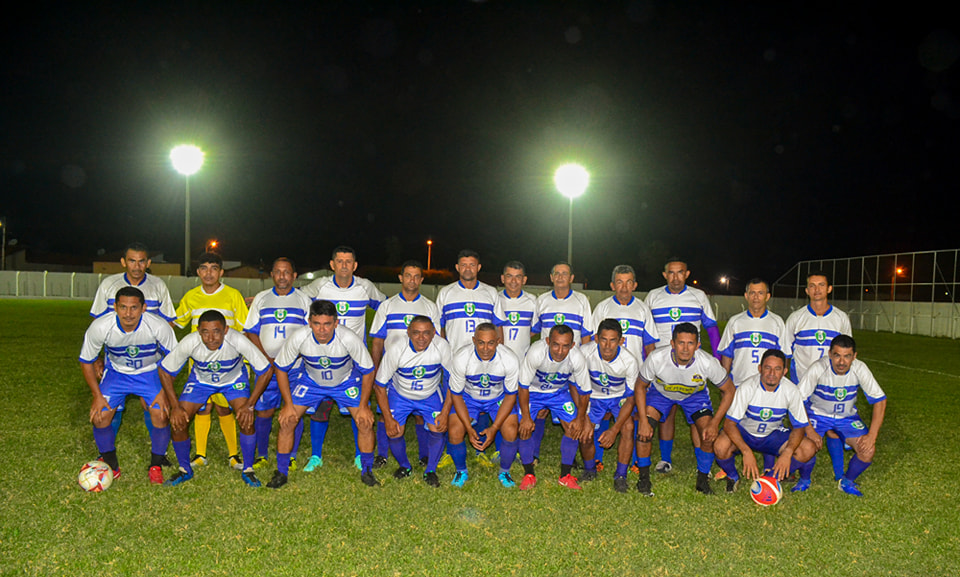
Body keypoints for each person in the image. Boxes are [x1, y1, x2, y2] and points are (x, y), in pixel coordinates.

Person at [266, 300, 379, 488]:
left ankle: (367, 470)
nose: (322, 330)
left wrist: (364, 406)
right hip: (311, 381)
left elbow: (368, 371)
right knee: (288, 420)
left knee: (364, 421)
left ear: (336, 322)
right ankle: (281, 472)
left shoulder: (349, 338)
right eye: (317, 324)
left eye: (327, 324)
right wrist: (287, 405)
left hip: (345, 382)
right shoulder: (299, 337)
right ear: (309, 322)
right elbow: (281, 369)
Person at [160, 310, 272, 487]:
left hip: (233, 380)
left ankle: (248, 469)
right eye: (205, 332)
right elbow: (165, 371)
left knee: (246, 419)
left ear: (226, 330)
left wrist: (250, 405)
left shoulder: (237, 339)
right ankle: (184, 469)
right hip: (200, 381)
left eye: (216, 331)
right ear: (198, 330)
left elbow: (266, 370)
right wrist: (175, 407)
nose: (211, 338)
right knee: (179, 420)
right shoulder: (190, 341)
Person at [300, 246, 386, 472]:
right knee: (320, 405)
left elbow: (385, 306)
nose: (344, 265)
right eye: (340, 261)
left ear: (355, 265)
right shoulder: (320, 285)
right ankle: (316, 455)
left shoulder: (364, 286)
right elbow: (296, 296)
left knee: (360, 406)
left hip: (354, 359)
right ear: (332, 265)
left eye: (349, 261)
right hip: (323, 355)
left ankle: (360, 455)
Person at [79, 286, 178, 484]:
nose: (128, 313)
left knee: (160, 413)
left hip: (149, 373)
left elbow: (175, 358)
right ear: (115, 307)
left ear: (144, 308)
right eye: (123, 307)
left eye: (134, 308)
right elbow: (86, 361)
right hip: (117, 374)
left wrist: (164, 391)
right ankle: (111, 463)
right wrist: (97, 396)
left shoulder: (158, 326)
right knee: (99, 417)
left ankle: (156, 464)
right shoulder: (101, 326)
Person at [634, 322, 736, 495]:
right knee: (644, 432)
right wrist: (643, 420)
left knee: (708, 434)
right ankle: (643, 479)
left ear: (698, 345)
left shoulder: (707, 362)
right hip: (661, 393)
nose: (685, 349)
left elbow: (729, 390)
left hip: (694, 396)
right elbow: (640, 387)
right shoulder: (657, 358)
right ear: (672, 343)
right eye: (681, 343)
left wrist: (715, 423)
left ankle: (702, 481)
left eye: (690, 343)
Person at [90, 242, 177, 442]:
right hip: (116, 359)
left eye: (141, 261)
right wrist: (96, 359)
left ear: (148, 263)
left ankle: (158, 452)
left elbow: (168, 322)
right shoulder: (108, 285)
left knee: (153, 405)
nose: (136, 267)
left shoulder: (158, 285)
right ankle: (107, 452)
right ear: (123, 262)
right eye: (132, 261)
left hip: (151, 359)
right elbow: (97, 324)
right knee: (112, 405)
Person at [173, 252, 250, 471]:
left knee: (224, 409)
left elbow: (245, 329)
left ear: (221, 272)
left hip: (229, 366)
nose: (209, 273)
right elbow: (176, 324)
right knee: (202, 409)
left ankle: (233, 455)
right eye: (204, 268)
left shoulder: (233, 296)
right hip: (200, 366)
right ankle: (200, 454)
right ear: (198, 272)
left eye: (214, 268)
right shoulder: (191, 297)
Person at [644, 258, 721, 474]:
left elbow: (711, 328)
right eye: (671, 272)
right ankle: (665, 460)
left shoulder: (698, 296)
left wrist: (716, 359)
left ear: (687, 274)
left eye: (680, 272)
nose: (675, 277)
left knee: (697, 413)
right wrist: (646, 360)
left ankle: (701, 462)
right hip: (662, 367)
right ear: (664, 274)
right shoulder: (653, 296)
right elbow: (646, 332)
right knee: (666, 412)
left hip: (691, 364)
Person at [369, 260, 441, 469]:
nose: (412, 279)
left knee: (420, 413)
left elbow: (436, 338)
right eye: (408, 275)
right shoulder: (388, 305)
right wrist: (376, 367)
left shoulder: (429, 306)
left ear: (421, 279)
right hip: (391, 370)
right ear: (400, 278)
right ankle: (382, 453)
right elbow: (377, 340)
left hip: (420, 369)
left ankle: (424, 454)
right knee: (386, 413)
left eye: (416, 276)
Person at [713, 350, 818, 493]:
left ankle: (771, 478)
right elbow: (729, 424)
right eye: (767, 367)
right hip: (746, 434)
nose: (772, 373)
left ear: (784, 371)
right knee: (720, 445)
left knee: (808, 448)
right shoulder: (747, 387)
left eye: (777, 369)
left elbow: (799, 427)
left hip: (772, 435)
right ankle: (732, 476)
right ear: (760, 368)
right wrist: (746, 451)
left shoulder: (791, 391)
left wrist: (788, 452)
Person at [243, 257, 312, 471]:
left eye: (287, 272)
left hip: (295, 367)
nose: (282, 276)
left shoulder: (303, 300)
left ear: (294, 276)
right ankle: (262, 454)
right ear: (272, 275)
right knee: (264, 411)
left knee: (292, 410)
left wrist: (292, 357)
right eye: (278, 272)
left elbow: (311, 332)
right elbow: (251, 331)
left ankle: (290, 454)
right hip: (266, 367)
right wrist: (266, 358)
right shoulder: (262, 299)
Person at [715, 278, 789, 478]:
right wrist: (725, 386)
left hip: (768, 386)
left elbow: (785, 356)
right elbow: (727, 355)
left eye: (761, 293)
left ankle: (769, 465)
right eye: (752, 293)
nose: (756, 297)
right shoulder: (736, 322)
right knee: (739, 425)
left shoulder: (776, 322)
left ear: (768, 296)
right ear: (746, 296)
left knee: (768, 422)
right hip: (740, 386)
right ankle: (732, 463)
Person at [797, 335, 886, 496]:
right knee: (805, 445)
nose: (841, 362)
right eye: (837, 355)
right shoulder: (818, 368)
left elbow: (880, 400)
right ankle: (804, 479)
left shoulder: (860, 368)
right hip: (818, 415)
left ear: (854, 356)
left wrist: (872, 436)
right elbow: (798, 401)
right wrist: (810, 430)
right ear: (830, 354)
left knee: (867, 450)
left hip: (847, 418)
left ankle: (847, 481)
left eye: (847, 356)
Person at [589, 264, 659, 471]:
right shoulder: (602, 307)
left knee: (637, 414)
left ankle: (638, 459)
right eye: (619, 282)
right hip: (607, 373)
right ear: (612, 285)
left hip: (634, 373)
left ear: (635, 285)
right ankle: (597, 457)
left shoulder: (642, 308)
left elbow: (650, 344)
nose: (624, 287)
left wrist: (649, 373)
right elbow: (594, 341)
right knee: (604, 413)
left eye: (629, 282)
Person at [374, 315, 454, 487]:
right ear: (408, 332)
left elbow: (452, 381)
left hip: (430, 394)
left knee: (438, 428)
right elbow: (379, 386)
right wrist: (388, 418)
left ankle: (430, 470)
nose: (421, 338)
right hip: (400, 395)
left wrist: (445, 412)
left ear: (434, 333)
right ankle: (405, 465)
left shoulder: (442, 346)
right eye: (416, 333)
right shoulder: (396, 349)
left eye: (426, 333)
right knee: (394, 431)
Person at [578, 319, 651, 493]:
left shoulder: (629, 361)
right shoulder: (584, 353)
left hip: (619, 398)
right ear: (596, 338)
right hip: (593, 397)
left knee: (627, 427)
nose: (608, 346)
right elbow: (577, 388)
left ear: (621, 341)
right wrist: (585, 417)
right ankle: (589, 469)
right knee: (584, 431)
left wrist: (614, 429)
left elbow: (631, 398)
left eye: (613, 340)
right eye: (603, 339)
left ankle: (620, 475)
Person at [516, 324, 591, 491]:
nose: (559, 350)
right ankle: (529, 474)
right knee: (524, 428)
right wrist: (527, 417)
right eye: (556, 344)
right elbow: (523, 387)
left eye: (565, 346)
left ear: (572, 345)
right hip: (532, 393)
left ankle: (565, 476)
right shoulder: (536, 352)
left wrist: (580, 419)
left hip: (558, 393)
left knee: (573, 428)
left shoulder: (577, 357)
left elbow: (585, 392)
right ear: (548, 341)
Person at [447, 322, 522, 488]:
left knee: (510, 430)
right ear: (474, 340)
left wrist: (494, 428)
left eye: (491, 343)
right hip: (469, 397)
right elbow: (456, 395)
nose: (485, 348)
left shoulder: (509, 359)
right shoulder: (461, 357)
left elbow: (511, 396)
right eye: (481, 342)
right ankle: (461, 471)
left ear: (498, 341)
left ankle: (505, 472)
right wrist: (468, 427)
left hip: (498, 398)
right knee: (455, 430)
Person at [785, 272, 852, 384]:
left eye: (821, 285)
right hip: (801, 382)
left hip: (831, 383)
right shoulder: (795, 318)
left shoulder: (841, 318)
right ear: (807, 290)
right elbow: (786, 350)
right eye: (812, 286)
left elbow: (847, 352)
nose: (817, 289)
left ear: (829, 289)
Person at [435, 249, 505, 352]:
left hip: (484, 356)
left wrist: (500, 352)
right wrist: (443, 351)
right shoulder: (445, 293)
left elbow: (498, 326)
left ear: (478, 267)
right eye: (463, 265)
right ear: (457, 268)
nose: (468, 269)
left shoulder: (491, 292)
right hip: (454, 355)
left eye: (472, 265)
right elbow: (438, 326)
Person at [535, 262, 594, 346]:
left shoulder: (582, 300)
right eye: (557, 273)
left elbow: (586, 334)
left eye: (565, 274)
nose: (560, 277)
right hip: (547, 357)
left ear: (571, 278)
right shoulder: (541, 300)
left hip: (572, 356)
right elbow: (532, 329)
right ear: (551, 277)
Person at [498, 260, 539, 359]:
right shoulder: (495, 299)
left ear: (524, 280)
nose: (513, 281)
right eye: (509, 276)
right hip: (499, 358)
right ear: (503, 278)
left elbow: (536, 328)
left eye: (518, 277)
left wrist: (522, 337)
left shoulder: (532, 301)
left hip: (522, 359)